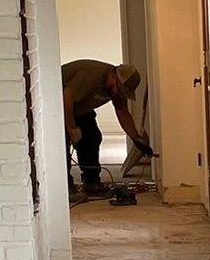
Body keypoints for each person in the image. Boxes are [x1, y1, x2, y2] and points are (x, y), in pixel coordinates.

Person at [62, 59, 154, 194]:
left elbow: (122, 111)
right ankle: (65, 187)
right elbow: (66, 97)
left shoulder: (116, 88)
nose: (117, 93)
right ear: (113, 75)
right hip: (57, 103)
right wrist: (71, 128)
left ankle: (91, 182)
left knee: (92, 137)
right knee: (62, 144)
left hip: (80, 108)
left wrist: (135, 138)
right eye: (119, 89)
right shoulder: (91, 76)